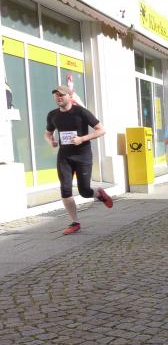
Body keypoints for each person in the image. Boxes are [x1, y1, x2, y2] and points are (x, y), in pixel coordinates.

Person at [45, 85, 113, 235]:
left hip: (83, 156)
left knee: (84, 191)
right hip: (64, 156)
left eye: (61, 94)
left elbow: (101, 130)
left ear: (69, 96)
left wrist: (82, 138)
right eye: (56, 95)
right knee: (65, 189)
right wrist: (51, 141)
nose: (58, 97)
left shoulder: (81, 112)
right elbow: (48, 133)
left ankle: (99, 194)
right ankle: (74, 222)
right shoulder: (52, 115)